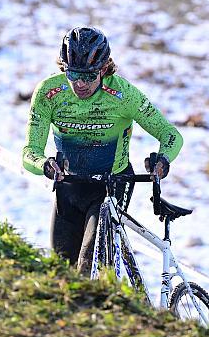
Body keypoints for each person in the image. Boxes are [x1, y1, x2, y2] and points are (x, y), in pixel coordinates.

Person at [22, 26, 183, 274]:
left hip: (112, 185)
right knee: (60, 272)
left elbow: (171, 135)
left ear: (104, 69)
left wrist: (163, 160)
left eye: (89, 76)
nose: (80, 84)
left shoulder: (123, 95)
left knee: (88, 265)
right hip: (70, 187)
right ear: (63, 68)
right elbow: (29, 152)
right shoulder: (48, 93)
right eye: (73, 74)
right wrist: (44, 163)